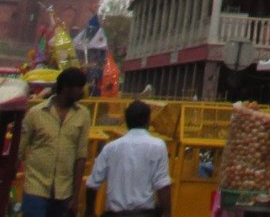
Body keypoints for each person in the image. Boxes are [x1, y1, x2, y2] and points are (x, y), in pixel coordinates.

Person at [19, 67, 91, 217]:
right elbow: (20, 147)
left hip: (64, 192)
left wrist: (76, 196)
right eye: (79, 88)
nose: (82, 92)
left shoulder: (83, 115)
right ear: (66, 88)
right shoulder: (36, 113)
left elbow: (81, 156)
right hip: (35, 188)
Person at [84, 101, 171, 217]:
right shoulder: (157, 146)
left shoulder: (110, 148)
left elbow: (92, 184)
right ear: (148, 121)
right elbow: (163, 186)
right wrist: (168, 213)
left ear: (126, 121)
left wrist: (90, 211)